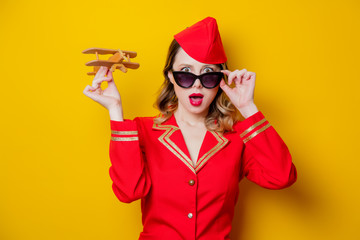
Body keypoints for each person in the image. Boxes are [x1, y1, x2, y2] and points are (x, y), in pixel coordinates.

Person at [83, 17, 297, 240]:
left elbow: (281, 177)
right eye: (185, 73)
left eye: (208, 75)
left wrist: (248, 107)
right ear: (171, 77)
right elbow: (128, 192)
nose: (196, 83)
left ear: (220, 80)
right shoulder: (142, 131)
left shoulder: (238, 138)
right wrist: (115, 111)